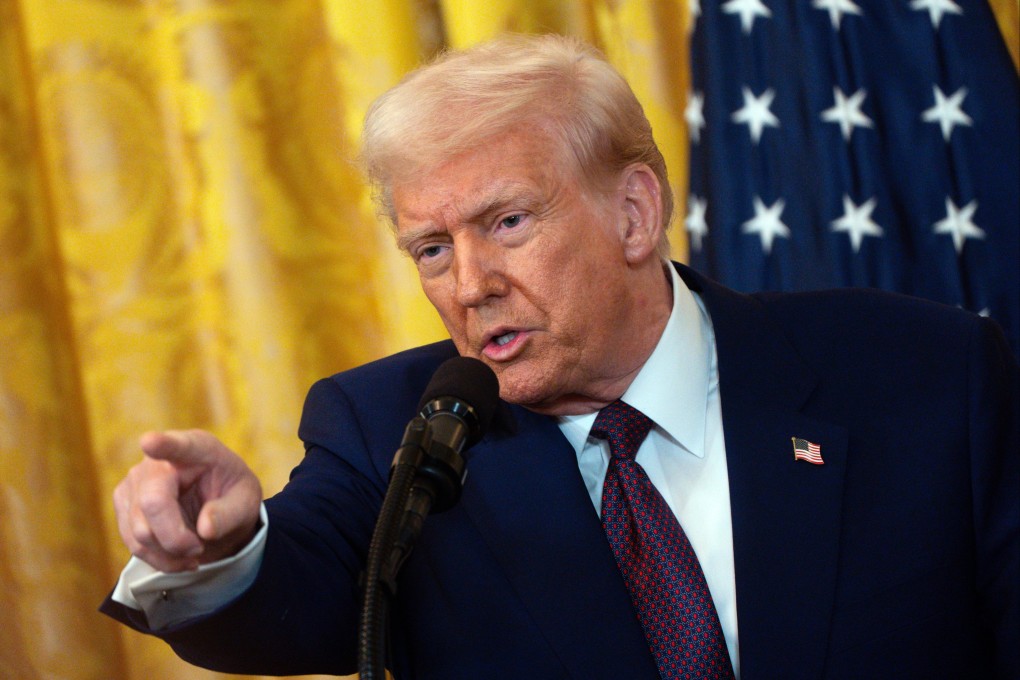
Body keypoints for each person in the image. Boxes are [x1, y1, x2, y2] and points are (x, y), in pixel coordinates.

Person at [101, 34, 1019, 679]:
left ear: (634, 212)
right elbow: (292, 596)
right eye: (431, 248)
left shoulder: (923, 374)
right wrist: (220, 550)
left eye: (507, 223)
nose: (468, 284)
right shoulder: (395, 430)